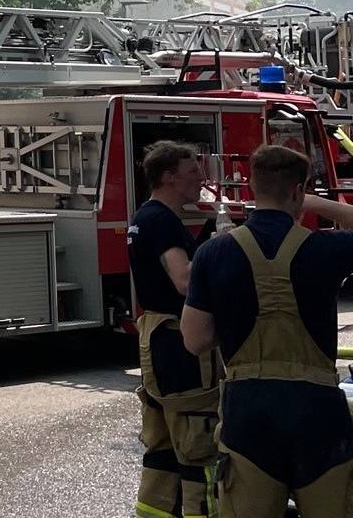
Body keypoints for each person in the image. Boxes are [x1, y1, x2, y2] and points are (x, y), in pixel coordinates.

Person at [181, 145, 353, 517]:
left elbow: (195, 340)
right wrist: (315, 203)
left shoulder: (215, 253)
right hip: (318, 414)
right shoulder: (327, 249)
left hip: (249, 413)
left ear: (251, 190)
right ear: (297, 191)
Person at [127, 141, 220, 518]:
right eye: (194, 170)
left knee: (163, 442)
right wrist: (224, 248)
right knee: (197, 437)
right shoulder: (161, 221)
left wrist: (213, 226)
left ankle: (155, 512)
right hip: (178, 338)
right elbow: (184, 279)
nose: (201, 177)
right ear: (169, 177)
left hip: (157, 335)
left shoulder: (146, 218)